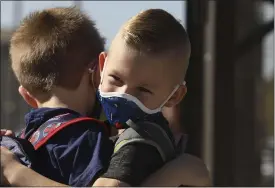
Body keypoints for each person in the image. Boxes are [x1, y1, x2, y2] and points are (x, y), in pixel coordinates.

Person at [1, 8, 211, 187]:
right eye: (116, 80)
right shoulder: (93, 136)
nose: (123, 95)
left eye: (143, 90)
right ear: (99, 71)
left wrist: (15, 171)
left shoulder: (140, 139)